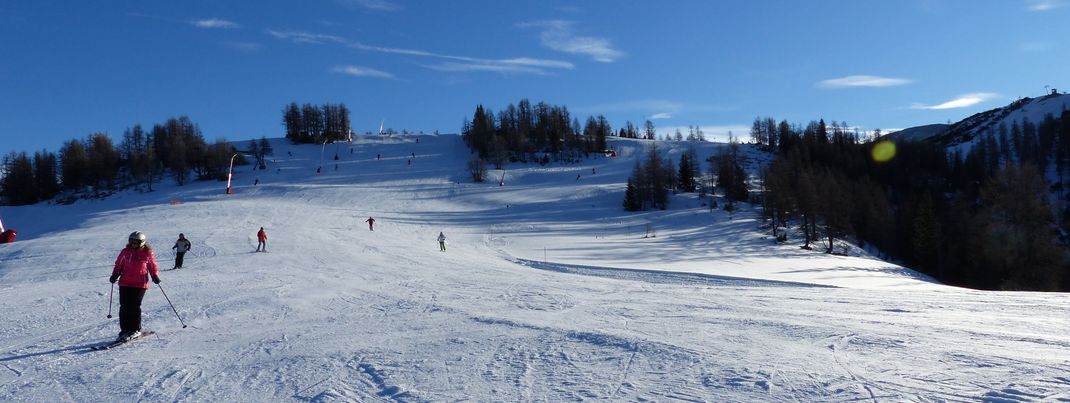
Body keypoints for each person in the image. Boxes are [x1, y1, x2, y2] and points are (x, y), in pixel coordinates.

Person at [109, 231, 160, 342]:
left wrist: (154, 276)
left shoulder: (147, 253)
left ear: (142, 242)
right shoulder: (125, 252)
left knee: (134, 306)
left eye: (136, 242)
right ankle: (125, 330)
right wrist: (115, 274)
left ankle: (135, 329)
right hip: (125, 282)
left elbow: (152, 266)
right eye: (131, 242)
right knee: (124, 307)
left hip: (140, 284)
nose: (133, 244)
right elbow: (118, 265)